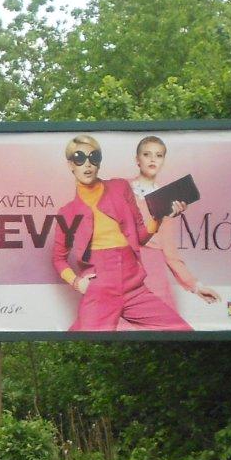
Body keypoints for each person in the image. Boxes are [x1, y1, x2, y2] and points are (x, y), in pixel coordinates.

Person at [50, 134, 191, 332]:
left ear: (99, 163)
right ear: (70, 164)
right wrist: (76, 282)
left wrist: (160, 216)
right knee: (82, 342)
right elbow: (58, 259)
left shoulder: (119, 187)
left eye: (94, 157)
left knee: (182, 332)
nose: (87, 164)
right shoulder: (67, 212)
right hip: (100, 289)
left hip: (134, 286)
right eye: (79, 158)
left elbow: (140, 235)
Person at [127, 135, 219, 308]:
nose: (153, 159)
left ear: (163, 161)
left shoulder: (168, 201)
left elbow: (171, 254)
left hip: (154, 275)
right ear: (137, 159)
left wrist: (196, 286)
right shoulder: (120, 189)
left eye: (159, 155)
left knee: (161, 330)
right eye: (147, 154)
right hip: (124, 269)